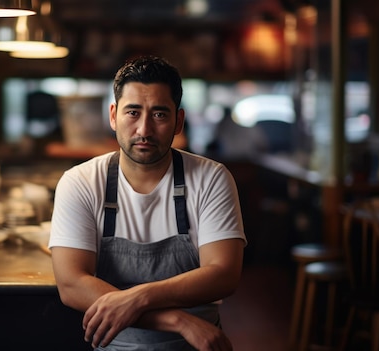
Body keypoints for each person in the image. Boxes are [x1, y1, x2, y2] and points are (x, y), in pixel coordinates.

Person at [49, 55, 246, 351]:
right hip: (116, 345)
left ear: (178, 121)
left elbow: (223, 274)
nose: (144, 130)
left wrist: (136, 298)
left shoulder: (211, 178)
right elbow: (72, 284)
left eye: (159, 114)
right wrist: (177, 320)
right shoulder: (80, 182)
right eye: (133, 112)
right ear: (113, 116)